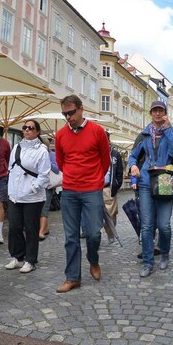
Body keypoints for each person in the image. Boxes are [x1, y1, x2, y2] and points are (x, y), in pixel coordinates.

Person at [54, 95, 111, 293]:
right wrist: (72, 177)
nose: (68, 117)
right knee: (71, 236)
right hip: (69, 190)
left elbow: (105, 160)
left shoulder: (97, 131)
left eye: (70, 113)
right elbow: (61, 162)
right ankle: (72, 278)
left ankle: (93, 260)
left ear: (81, 109)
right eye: (64, 114)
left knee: (94, 233)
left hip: (91, 190)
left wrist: (95, 180)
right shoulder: (60, 135)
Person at [128, 100, 173, 277]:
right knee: (147, 226)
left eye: (161, 111)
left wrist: (167, 130)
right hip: (146, 182)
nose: (158, 114)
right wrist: (132, 166)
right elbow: (133, 156)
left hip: (166, 180)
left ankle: (165, 252)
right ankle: (147, 261)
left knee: (164, 225)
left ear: (165, 113)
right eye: (154, 111)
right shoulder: (144, 134)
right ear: (151, 113)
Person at [4, 119, 51, 274]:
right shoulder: (16, 147)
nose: (26, 130)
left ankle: (30, 260)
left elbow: (44, 175)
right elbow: (11, 169)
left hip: (32, 197)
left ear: (37, 131)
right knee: (14, 227)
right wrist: (10, 189)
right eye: (24, 128)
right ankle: (18, 257)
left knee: (31, 228)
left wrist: (33, 188)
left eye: (30, 128)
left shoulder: (42, 151)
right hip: (15, 195)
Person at [102, 131, 124, 244]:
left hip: (109, 188)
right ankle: (95, 236)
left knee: (111, 215)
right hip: (95, 188)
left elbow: (120, 171)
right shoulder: (94, 152)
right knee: (94, 216)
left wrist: (116, 184)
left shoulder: (115, 154)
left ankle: (110, 232)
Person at [39, 138, 60, 241]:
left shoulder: (51, 155)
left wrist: (47, 161)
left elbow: (56, 169)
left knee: (44, 208)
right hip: (38, 185)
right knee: (40, 208)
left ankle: (41, 231)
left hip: (48, 185)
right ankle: (45, 228)